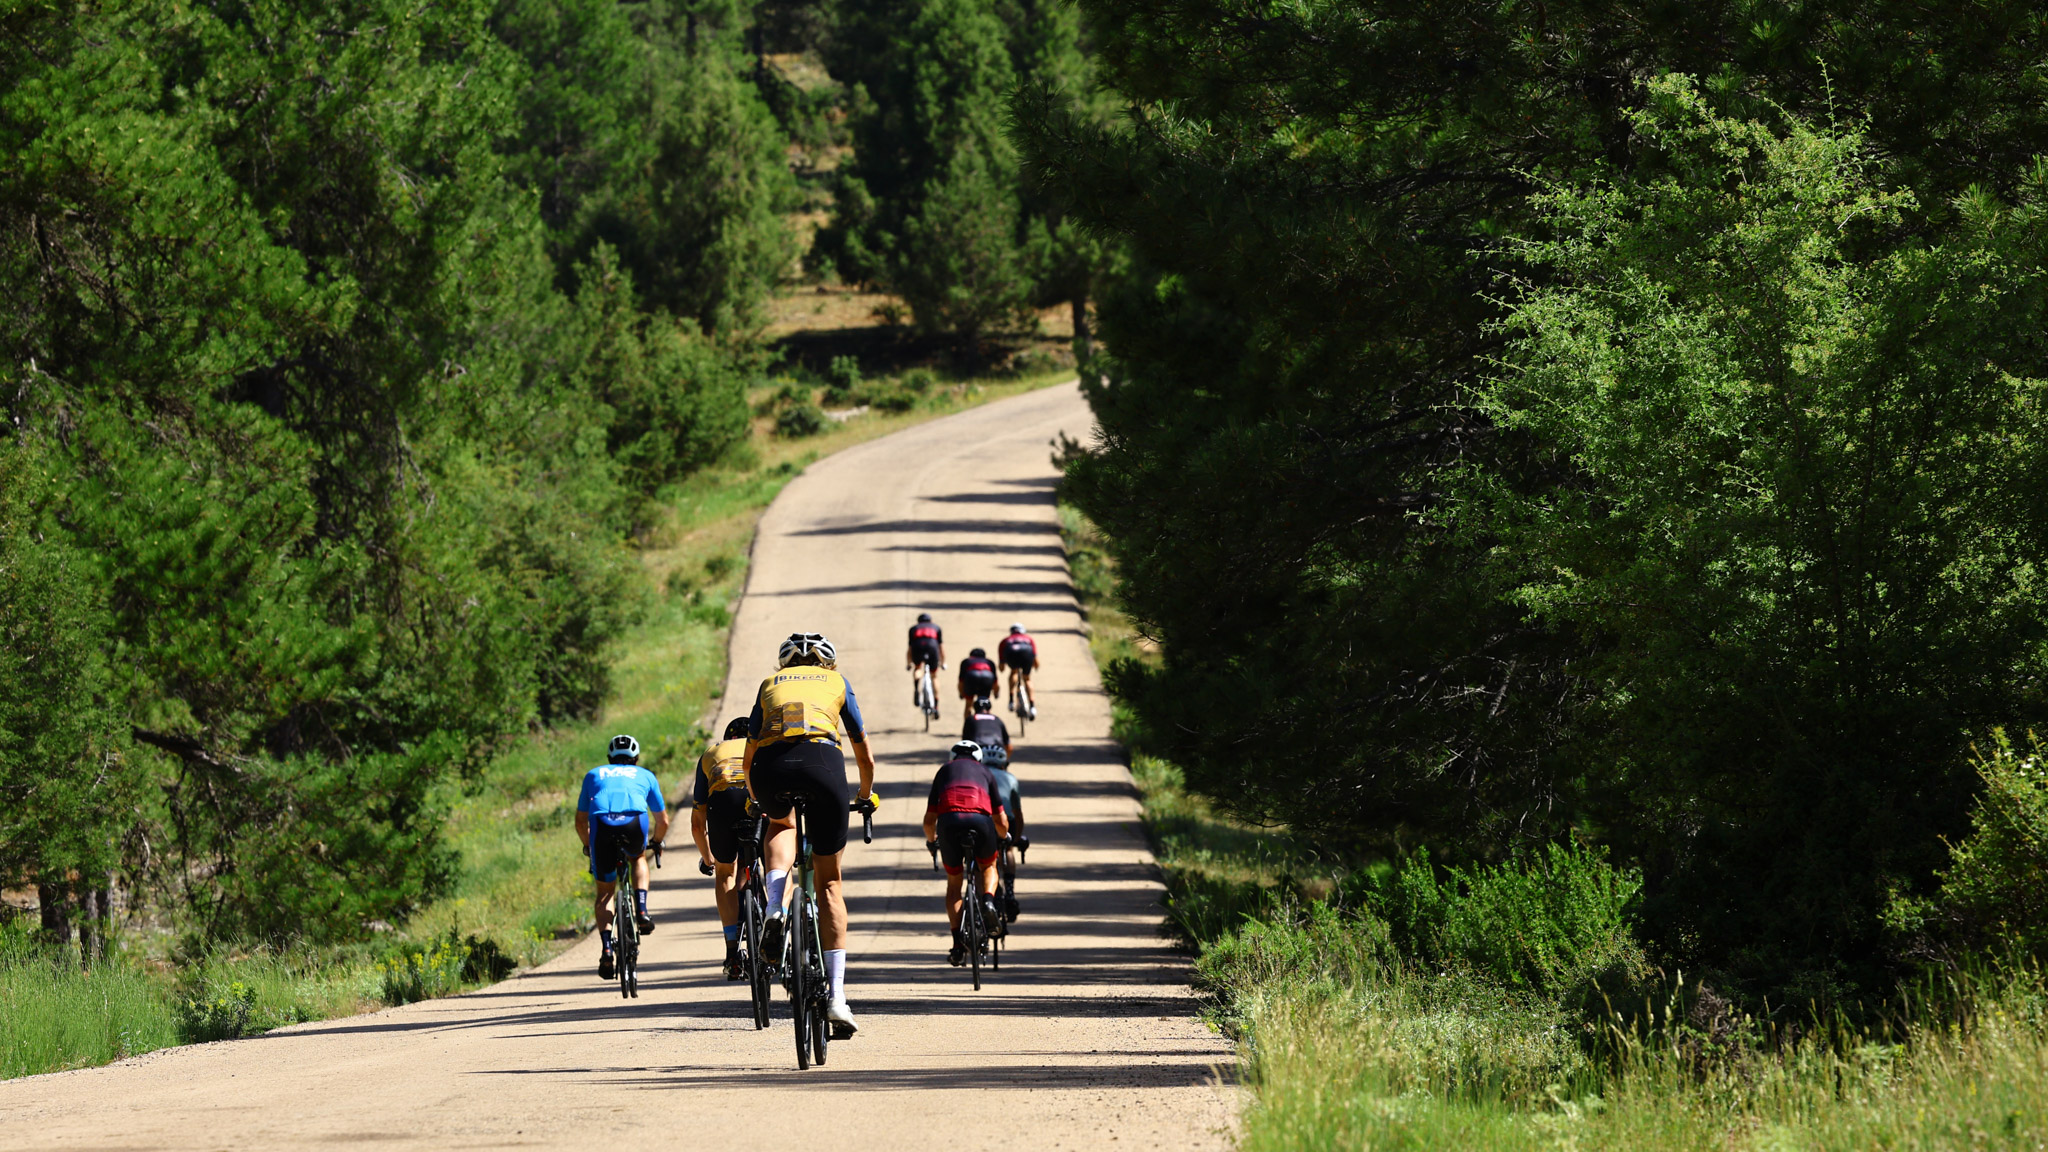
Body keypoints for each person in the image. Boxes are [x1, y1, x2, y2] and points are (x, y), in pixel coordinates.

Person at [744, 631, 879, 1037]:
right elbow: (864, 754)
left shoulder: (769, 684)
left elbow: (749, 755)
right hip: (823, 763)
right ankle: (837, 997)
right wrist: (865, 796)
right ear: (828, 663)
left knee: (781, 823)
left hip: (771, 766)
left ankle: (775, 906)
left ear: (784, 664)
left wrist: (756, 799)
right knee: (830, 883)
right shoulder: (838, 682)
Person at [576, 734, 670, 981]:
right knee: (638, 858)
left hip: (601, 825)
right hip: (633, 822)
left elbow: (580, 821)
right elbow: (663, 820)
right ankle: (642, 910)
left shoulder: (593, 774)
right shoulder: (645, 775)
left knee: (605, 893)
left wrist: (588, 846)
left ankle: (607, 948)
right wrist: (656, 842)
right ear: (636, 758)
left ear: (610, 758)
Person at [922, 740, 1010, 965]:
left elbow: (929, 820)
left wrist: (932, 841)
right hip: (980, 821)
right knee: (988, 866)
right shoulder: (985, 772)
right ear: (978, 758)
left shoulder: (943, 771)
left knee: (954, 884)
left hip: (949, 822)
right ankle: (988, 901)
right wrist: (1003, 837)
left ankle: (957, 944)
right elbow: (1001, 820)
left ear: (953, 758)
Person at [690, 717, 755, 980]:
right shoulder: (762, 744)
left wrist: (709, 859)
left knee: (725, 873)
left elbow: (697, 824)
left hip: (723, 802)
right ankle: (776, 919)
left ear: (728, 738)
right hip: (756, 798)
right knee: (777, 861)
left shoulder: (712, 752)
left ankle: (732, 950)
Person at [987, 760, 1027, 922]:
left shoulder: (979, 775)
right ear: (1003, 765)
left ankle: (988, 893)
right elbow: (1018, 814)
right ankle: (1009, 892)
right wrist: (1016, 838)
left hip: (983, 820)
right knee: (1008, 849)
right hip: (1006, 820)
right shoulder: (1010, 778)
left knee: (984, 857)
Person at [906, 612, 946, 712]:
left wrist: (909, 663)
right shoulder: (936, 628)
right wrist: (943, 663)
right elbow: (941, 648)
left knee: (918, 668)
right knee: (934, 676)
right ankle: (936, 704)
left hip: (918, 647)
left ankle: (916, 689)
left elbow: (910, 649)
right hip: (932, 648)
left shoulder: (913, 629)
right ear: (930, 621)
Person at [998, 623, 1039, 719]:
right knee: (1027, 678)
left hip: (1011, 651)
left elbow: (1001, 666)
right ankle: (1032, 707)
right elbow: (1036, 660)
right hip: (1026, 652)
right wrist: (1035, 666)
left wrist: (1002, 667)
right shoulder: (1028, 639)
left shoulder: (1005, 640)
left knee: (1014, 672)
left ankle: (1011, 701)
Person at [961, 696, 1011, 769]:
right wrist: (1005, 761)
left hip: (978, 750)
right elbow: (1009, 747)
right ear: (989, 709)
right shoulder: (997, 719)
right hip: (997, 749)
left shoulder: (970, 719)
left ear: (975, 708)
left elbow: (965, 744)